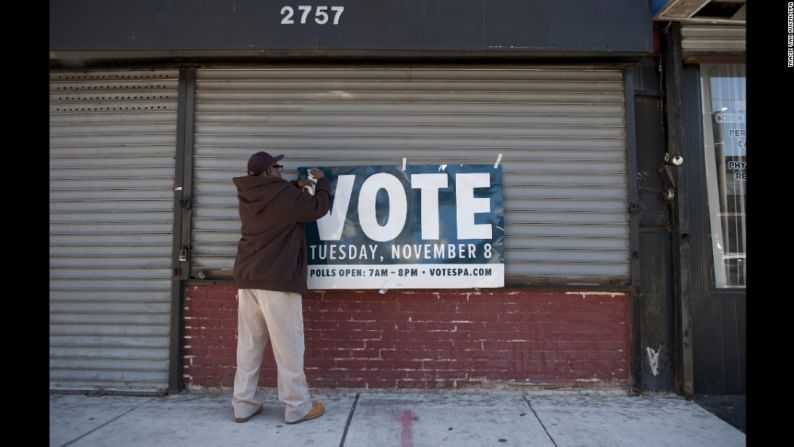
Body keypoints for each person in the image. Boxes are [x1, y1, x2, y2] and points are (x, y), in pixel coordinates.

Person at [230, 151, 332, 424]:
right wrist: (322, 184)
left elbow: (277, 199)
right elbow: (316, 209)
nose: (280, 170)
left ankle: (243, 404)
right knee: (288, 346)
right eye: (277, 167)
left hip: (247, 278)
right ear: (267, 172)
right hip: (277, 280)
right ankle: (297, 407)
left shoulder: (249, 194)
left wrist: (293, 187)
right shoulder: (284, 195)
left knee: (249, 345)